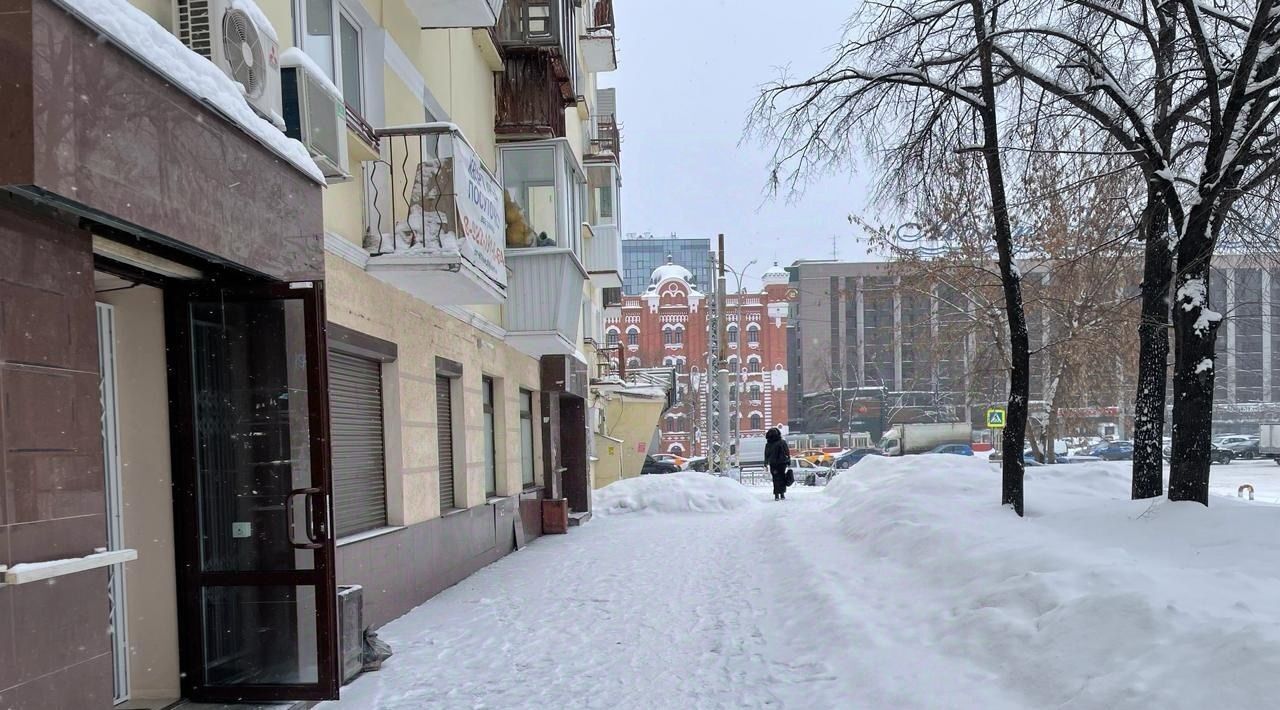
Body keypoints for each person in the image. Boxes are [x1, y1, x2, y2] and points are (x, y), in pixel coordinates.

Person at [765, 427, 790, 501]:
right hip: (782, 463)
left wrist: (765, 462)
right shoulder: (782, 442)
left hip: (773, 464)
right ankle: (782, 494)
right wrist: (788, 461)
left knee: (775, 479)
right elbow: (787, 452)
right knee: (782, 478)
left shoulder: (768, 444)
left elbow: (766, 454)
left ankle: (776, 495)